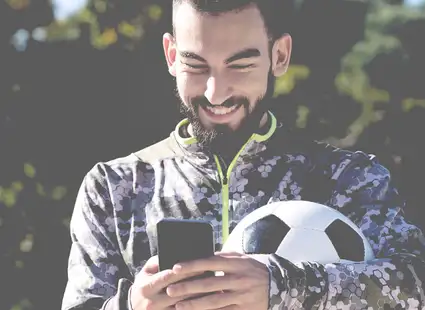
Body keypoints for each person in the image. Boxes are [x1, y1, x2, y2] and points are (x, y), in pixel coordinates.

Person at [61, 0, 425, 309]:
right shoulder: (112, 187)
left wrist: (281, 287)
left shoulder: (351, 178)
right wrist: (130, 305)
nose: (215, 93)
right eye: (196, 65)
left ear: (279, 56)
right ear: (171, 56)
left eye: (240, 65)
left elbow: (414, 284)